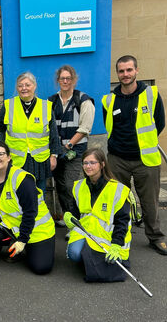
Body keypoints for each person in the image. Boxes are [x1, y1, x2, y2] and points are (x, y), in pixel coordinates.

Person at [102, 55, 167, 256]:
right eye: (121, 71)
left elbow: (160, 123)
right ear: (117, 74)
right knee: (118, 201)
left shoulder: (151, 95)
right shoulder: (109, 100)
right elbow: (110, 126)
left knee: (149, 202)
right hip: (117, 160)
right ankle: (120, 237)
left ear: (137, 71)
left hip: (145, 160)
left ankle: (156, 238)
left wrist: (144, 143)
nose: (125, 74)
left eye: (129, 70)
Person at [0, 72, 60, 194]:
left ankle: (38, 213)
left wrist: (54, 156)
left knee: (39, 193)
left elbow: (54, 135)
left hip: (39, 160)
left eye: (27, 85)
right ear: (17, 88)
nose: (24, 88)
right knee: (17, 192)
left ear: (34, 86)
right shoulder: (9, 105)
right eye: (20, 86)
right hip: (17, 160)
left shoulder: (45, 106)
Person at [0, 141, 56, 275]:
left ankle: (26, 246)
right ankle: (14, 244)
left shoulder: (22, 179)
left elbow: (30, 213)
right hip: (14, 228)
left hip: (38, 230)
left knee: (41, 268)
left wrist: (22, 240)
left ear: (9, 157)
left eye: (0, 154)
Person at [63, 148, 131, 282]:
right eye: (85, 163)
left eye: (92, 163)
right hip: (85, 231)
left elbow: (122, 221)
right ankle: (89, 258)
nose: (88, 166)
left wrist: (116, 244)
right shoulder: (79, 186)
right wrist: (69, 216)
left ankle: (94, 258)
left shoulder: (117, 189)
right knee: (74, 254)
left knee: (106, 260)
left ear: (102, 164)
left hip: (107, 236)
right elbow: (75, 211)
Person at [48, 65, 95, 228]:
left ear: (74, 80)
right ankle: (67, 218)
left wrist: (68, 145)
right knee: (60, 186)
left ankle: (76, 222)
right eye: (62, 78)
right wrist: (55, 151)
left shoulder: (83, 100)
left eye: (69, 78)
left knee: (70, 186)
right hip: (56, 152)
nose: (65, 81)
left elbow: (85, 128)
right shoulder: (51, 101)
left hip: (75, 152)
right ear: (58, 80)